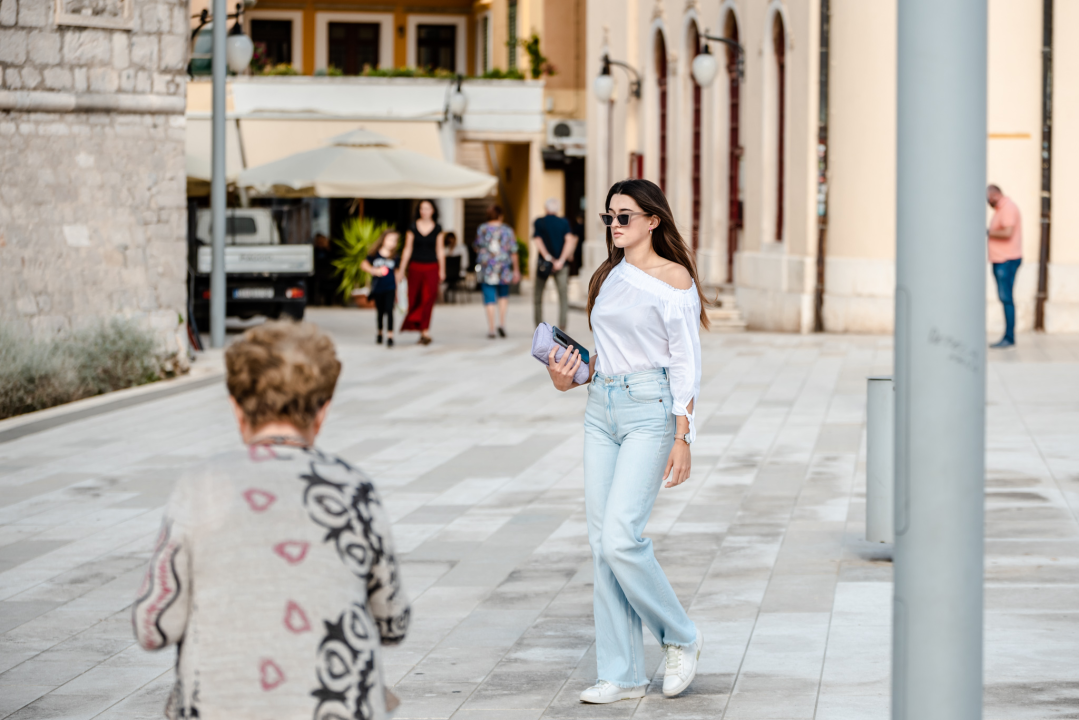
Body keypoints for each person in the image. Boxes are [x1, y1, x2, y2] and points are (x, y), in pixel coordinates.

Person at [132, 321, 410, 720]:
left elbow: (153, 627)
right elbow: (393, 622)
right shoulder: (353, 489)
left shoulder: (200, 487)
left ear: (236, 408)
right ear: (323, 411)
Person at [547, 179, 707, 704]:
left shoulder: (674, 278)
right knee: (601, 546)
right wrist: (567, 374)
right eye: (609, 218)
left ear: (652, 221)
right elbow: (604, 358)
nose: (614, 226)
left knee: (621, 536)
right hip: (602, 410)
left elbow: (684, 362)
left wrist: (683, 433)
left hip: (650, 411)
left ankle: (680, 637)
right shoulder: (609, 275)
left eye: (625, 217)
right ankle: (621, 673)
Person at [399, 199, 445, 345]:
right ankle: (420, 329)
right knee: (415, 298)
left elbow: (440, 250)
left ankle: (425, 330)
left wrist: (442, 270)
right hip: (415, 267)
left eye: (427, 208)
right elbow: (407, 249)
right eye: (422, 208)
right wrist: (401, 269)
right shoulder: (412, 227)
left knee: (428, 298)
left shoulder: (438, 228)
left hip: (431, 267)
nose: (424, 211)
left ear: (433, 211)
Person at [474, 204, 521, 339]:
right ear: (500, 215)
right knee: (503, 296)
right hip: (504, 268)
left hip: (487, 268)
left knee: (489, 298)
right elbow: (513, 251)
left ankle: (491, 328)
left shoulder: (482, 229)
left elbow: (476, 246)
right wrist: (516, 270)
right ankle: (502, 323)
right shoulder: (507, 230)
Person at [533, 198, 578, 329]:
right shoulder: (564, 222)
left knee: (538, 297)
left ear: (546, 208)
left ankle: (539, 327)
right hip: (561, 265)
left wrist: (548, 258)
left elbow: (538, 241)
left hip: (544, 265)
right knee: (563, 297)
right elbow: (569, 240)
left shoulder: (539, 222)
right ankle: (562, 326)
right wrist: (561, 261)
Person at [987, 184, 1022, 348]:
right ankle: (1009, 336)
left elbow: (1007, 232)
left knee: (1006, 298)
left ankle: (1009, 337)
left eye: (987, 199)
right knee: (1005, 298)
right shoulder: (1002, 209)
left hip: (1006, 261)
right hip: (1001, 260)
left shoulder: (1007, 208)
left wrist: (986, 231)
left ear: (993, 196)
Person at [361, 228, 400, 347]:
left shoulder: (395, 257)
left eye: (395, 240)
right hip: (378, 288)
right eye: (390, 239)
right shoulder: (375, 254)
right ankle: (379, 332)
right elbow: (363, 264)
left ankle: (390, 336)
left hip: (390, 287)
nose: (392, 243)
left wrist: (398, 290)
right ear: (383, 240)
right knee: (380, 312)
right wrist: (374, 270)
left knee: (389, 311)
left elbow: (397, 273)